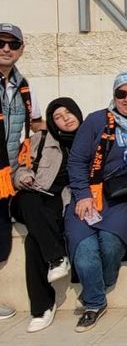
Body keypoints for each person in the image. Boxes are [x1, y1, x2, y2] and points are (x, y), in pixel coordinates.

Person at [66, 72, 127, 332]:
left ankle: (97, 285)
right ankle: (94, 303)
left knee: (111, 244)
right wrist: (82, 194)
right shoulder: (96, 121)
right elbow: (77, 161)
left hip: (120, 198)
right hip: (89, 193)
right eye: (121, 93)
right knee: (85, 251)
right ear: (114, 96)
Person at [11, 98, 83, 332]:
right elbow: (19, 167)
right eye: (58, 117)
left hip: (58, 201)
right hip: (31, 194)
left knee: (34, 238)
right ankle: (57, 257)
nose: (66, 119)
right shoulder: (40, 139)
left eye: (69, 113)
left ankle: (41, 308)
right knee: (30, 201)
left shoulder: (89, 141)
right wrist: (23, 177)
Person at [0, 23, 43, 321]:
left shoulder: (23, 87)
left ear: (21, 49)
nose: (6, 49)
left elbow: (36, 124)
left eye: (12, 44)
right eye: (1, 43)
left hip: (7, 176)